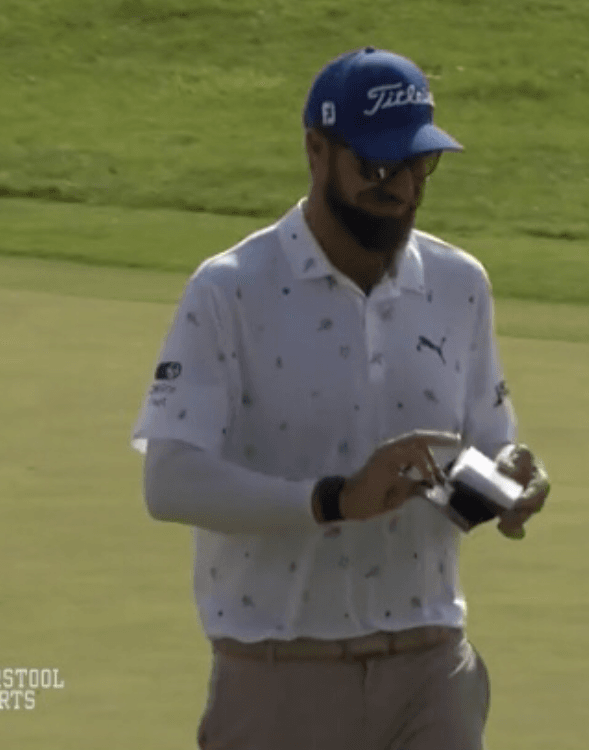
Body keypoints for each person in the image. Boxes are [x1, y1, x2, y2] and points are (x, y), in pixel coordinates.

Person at [130, 46, 551, 750]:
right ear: (316, 150)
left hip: (432, 665)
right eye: (378, 166)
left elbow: (488, 442)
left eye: (419, 163)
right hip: (280, 674)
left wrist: (512, 481)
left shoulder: (459, 284)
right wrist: (332, 500)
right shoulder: (230, 290)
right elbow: (170, 481)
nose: (403, 187)